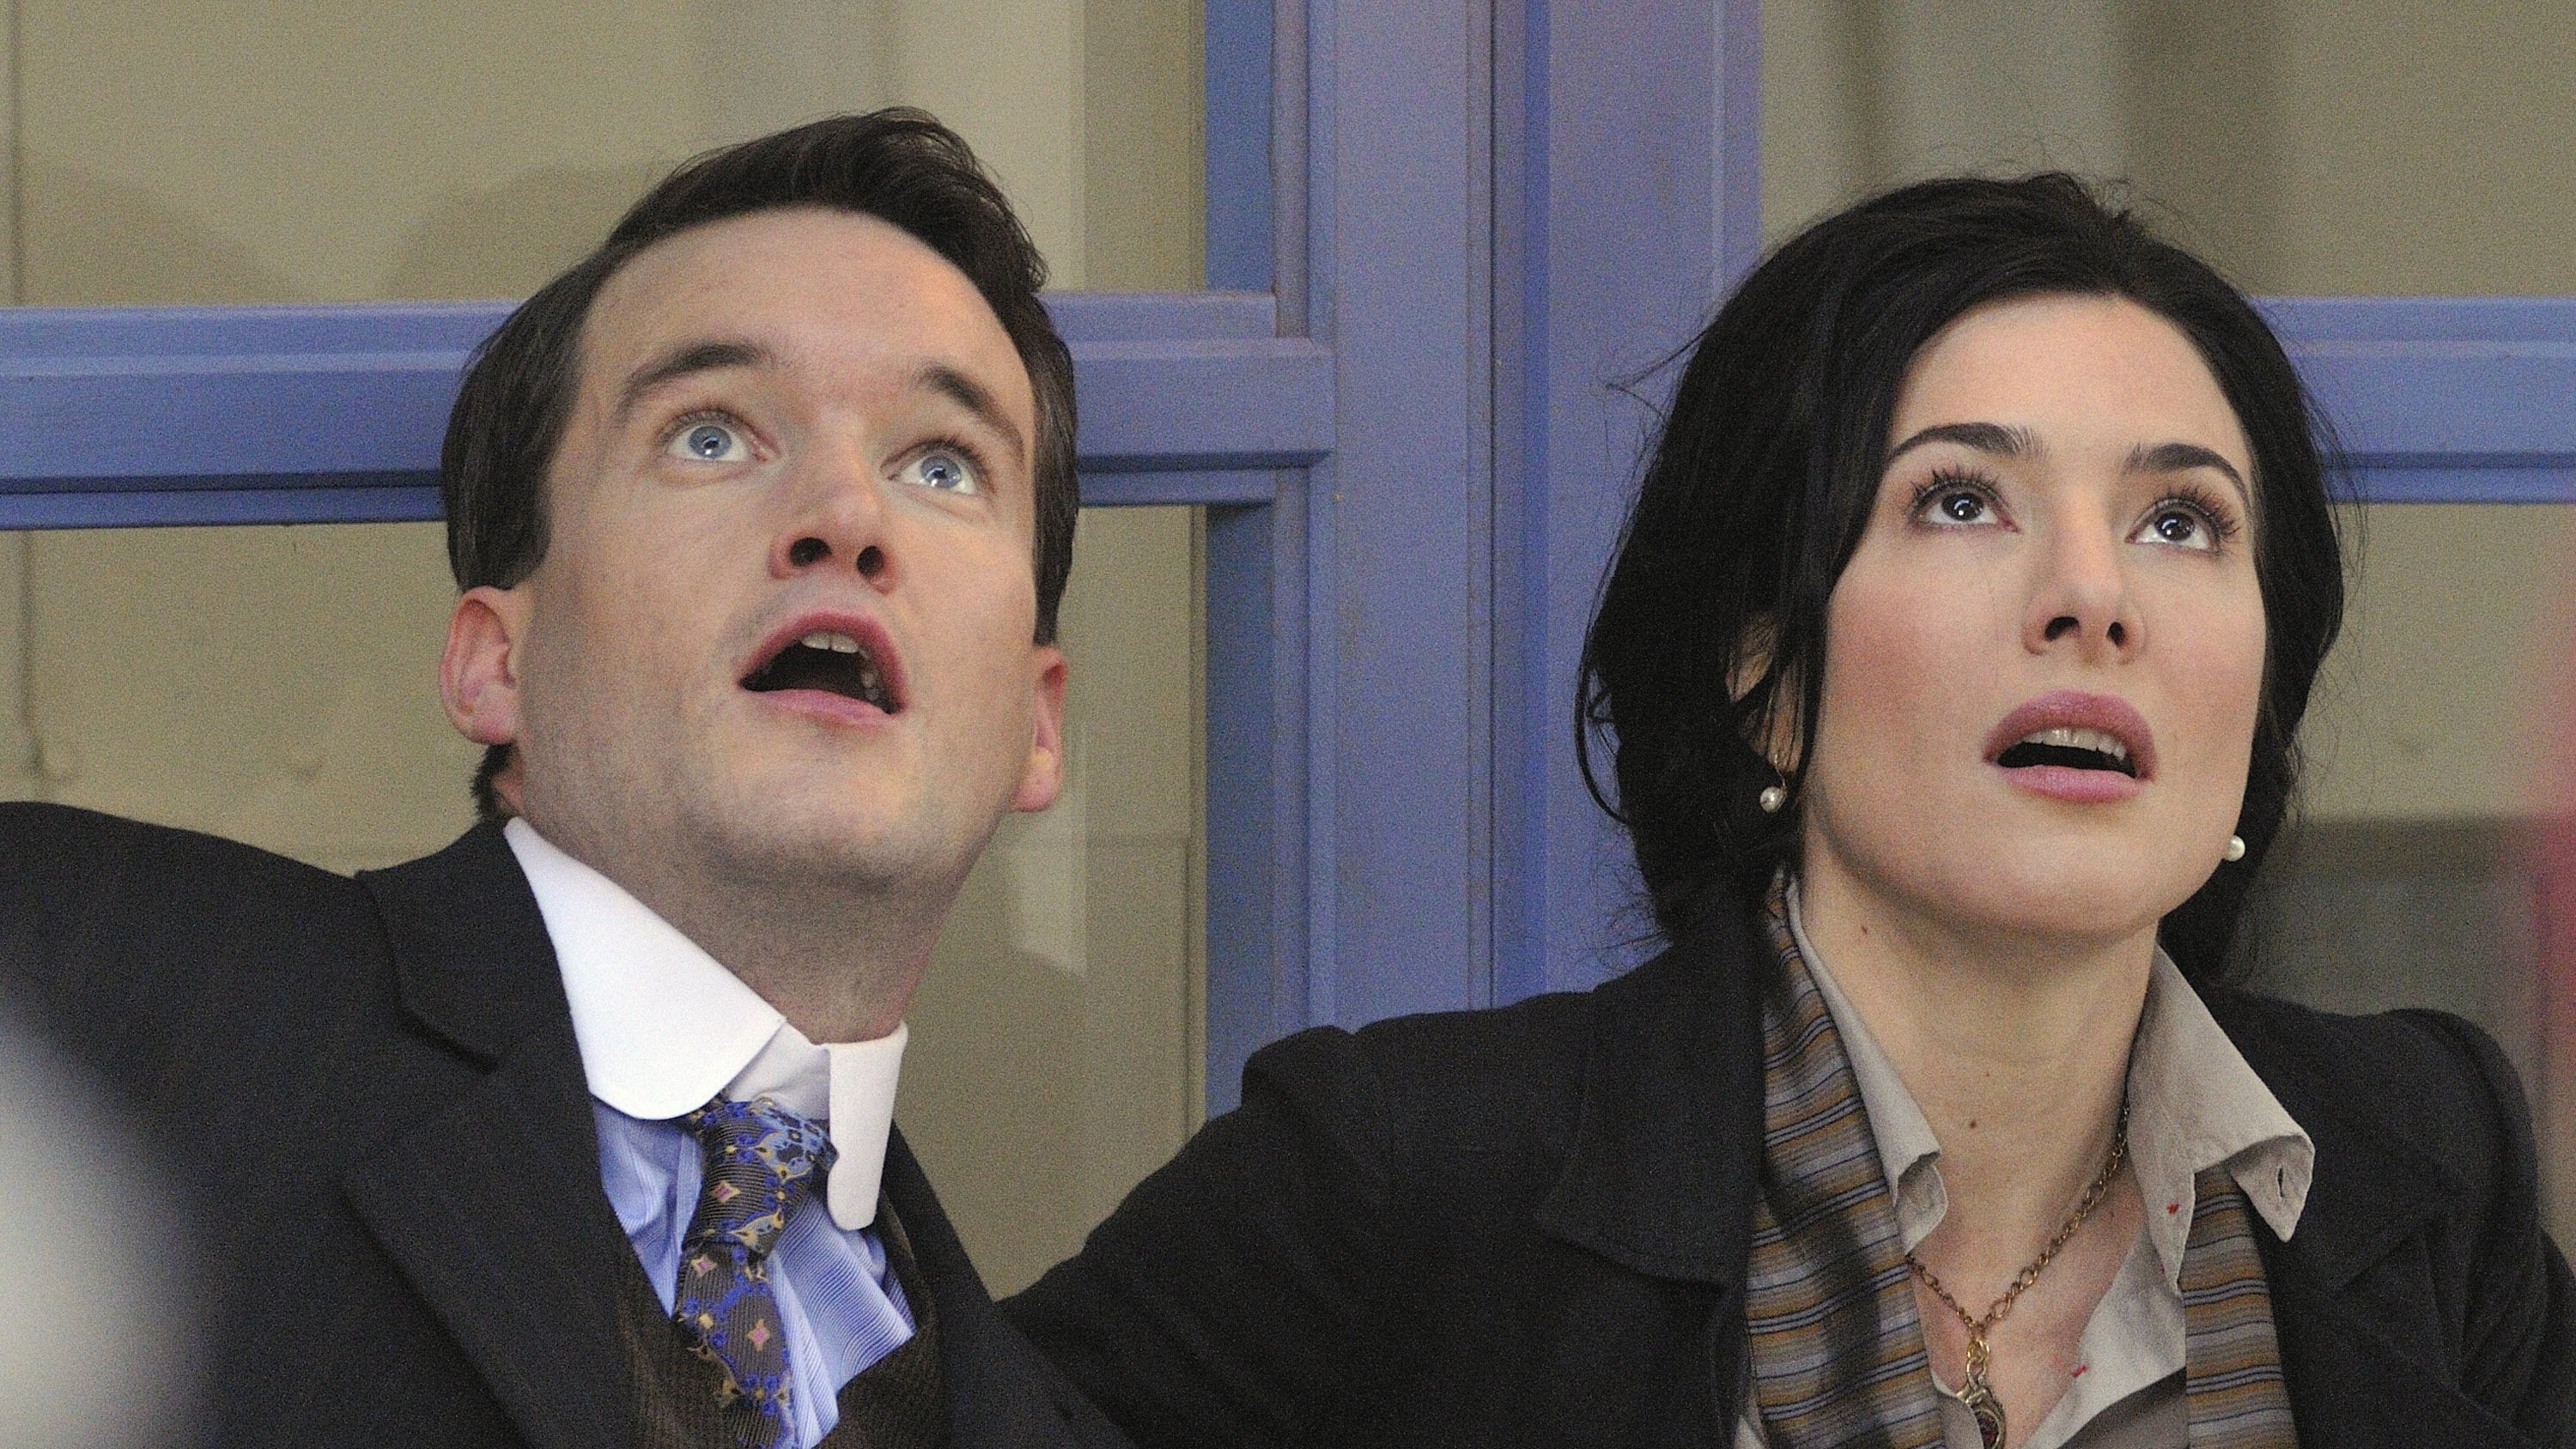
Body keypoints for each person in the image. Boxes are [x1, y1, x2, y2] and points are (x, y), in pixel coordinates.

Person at [1004, 174, 2576, 1447]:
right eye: (1961, 498)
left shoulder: (2426, 1161)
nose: (2094, 596)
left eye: (2181, 520)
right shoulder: (1404, 1176)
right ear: (1764, 669)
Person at [0, 111, 1125, 1449]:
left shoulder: (1022, 1404)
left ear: (1038, 726)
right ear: (496, 662)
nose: (846, 517)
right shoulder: (77, 986)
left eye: (942, 463)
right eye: (712, 436)